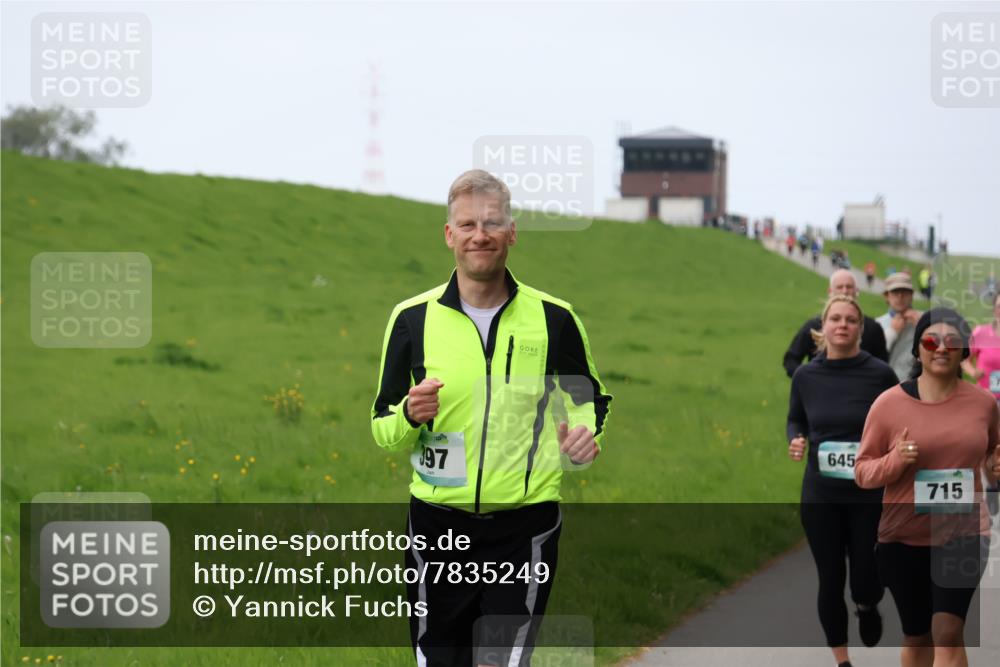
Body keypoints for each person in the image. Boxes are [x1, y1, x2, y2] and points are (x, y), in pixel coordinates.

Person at [371, 169, 612, 666]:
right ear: (449, 235)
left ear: (512, 233)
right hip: (437, 528)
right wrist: (410, 416)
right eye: (467, 225)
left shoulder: (554, 320)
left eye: (492, 223)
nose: (479, 235)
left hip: (524, 529)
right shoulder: (411, 320)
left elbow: (591, 398)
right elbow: (382, 427)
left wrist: (586, 433)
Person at [855, 308, 1000, 667]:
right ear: (918, 349)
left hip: (965, 533)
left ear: (964, 351)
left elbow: (992, 459)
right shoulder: (888, 405)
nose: (941, 348)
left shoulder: (984, 405)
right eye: (931, 340)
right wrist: (895, 462)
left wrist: (995, 472)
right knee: (918, 635)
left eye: (952, 341)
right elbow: (862, 472)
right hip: (903, 537)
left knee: (948, 632)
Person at [787, 295, 898, 667]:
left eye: (851, 320)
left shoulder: (880, 374)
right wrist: (796, 439)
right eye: (835, 318)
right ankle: (842, 660)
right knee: (830, 578)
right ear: (823, 327)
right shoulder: (806, 376)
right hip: (821, 493)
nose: (843, 325)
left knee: (867, 575)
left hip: (869, 493)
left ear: (860, 330)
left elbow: (898, 419)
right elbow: (795, 418)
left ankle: (867, 605)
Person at [783, 270, 889, 378]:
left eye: (849, 287)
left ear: (857, 290)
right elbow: (791, 359)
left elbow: (883, 365)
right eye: (840, 287)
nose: (845, 291)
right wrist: (808, 380)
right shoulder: (813, 326)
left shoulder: (873, 328)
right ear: (830, 291)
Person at [875, 273, 923, 381]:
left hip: (918, 385)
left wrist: (923, 328)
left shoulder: (926, 319)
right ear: (886, 296)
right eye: (895, 292)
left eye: (905, 292)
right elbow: (874, 357)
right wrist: (892, 332)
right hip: (886, 384)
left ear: (911, 295)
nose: (900, 296)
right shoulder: (877, 324)